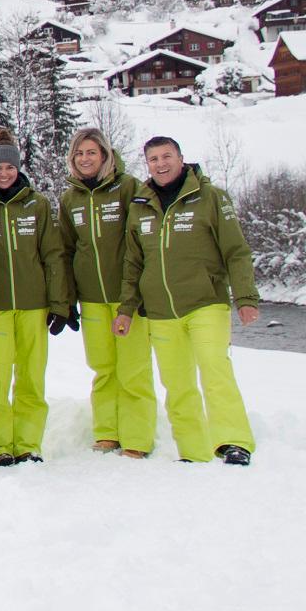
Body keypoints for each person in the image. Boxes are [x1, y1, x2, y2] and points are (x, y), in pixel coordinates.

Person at [119, 135, 259, 466]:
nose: (161, 164)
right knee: (177, 382)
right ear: (147, 165)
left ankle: (233, 440)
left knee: (214, 369)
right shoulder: (140, 206)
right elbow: (132, 263)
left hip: (205, 302)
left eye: (167, 156)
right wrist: (126, 309)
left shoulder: (210, 197)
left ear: (181, 159)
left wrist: (245, 297)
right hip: (161, 311)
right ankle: (193, 450)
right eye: (153, 159)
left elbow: (236, 252)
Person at [0, 131, 69, 465]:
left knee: (31, 376)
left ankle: (28, 443)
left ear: (18, 168)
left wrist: (59, 303)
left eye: (9, 167)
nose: (3, 173)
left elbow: (53, 255)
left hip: (34, 306)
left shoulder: (36, 204)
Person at [59, 127, 154, 457]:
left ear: (105, 156)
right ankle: (107, 431)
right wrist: (68, 299)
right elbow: (67, 249)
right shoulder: (70, 198)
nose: (85, 159)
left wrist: (134, 296)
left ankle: (138, 436)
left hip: (128, 297)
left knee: (133, 369)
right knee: (103, 367)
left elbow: (141, 243)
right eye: (79, 154)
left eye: (91, 153)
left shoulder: (128, 188)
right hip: (92, 298)